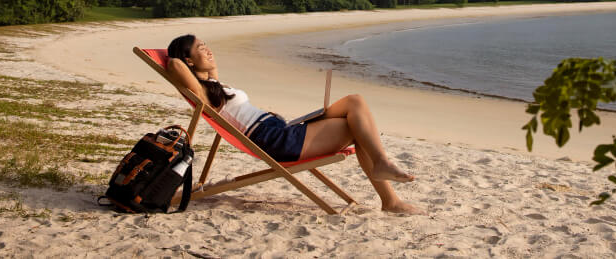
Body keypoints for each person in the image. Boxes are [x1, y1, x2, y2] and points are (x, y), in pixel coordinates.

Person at [166, 34, 424, 215]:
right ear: (188, 61)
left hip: (280, 129)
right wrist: (181, 59)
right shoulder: (202, 93)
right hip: (275, 140)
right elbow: (174, 64)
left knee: (355, 102)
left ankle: (386, 183)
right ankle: (388, 193)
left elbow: (210, 72)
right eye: (201, 47)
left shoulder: (214, 86)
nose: (208, 49)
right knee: (357, 127)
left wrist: (205, 60)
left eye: (207, 44)